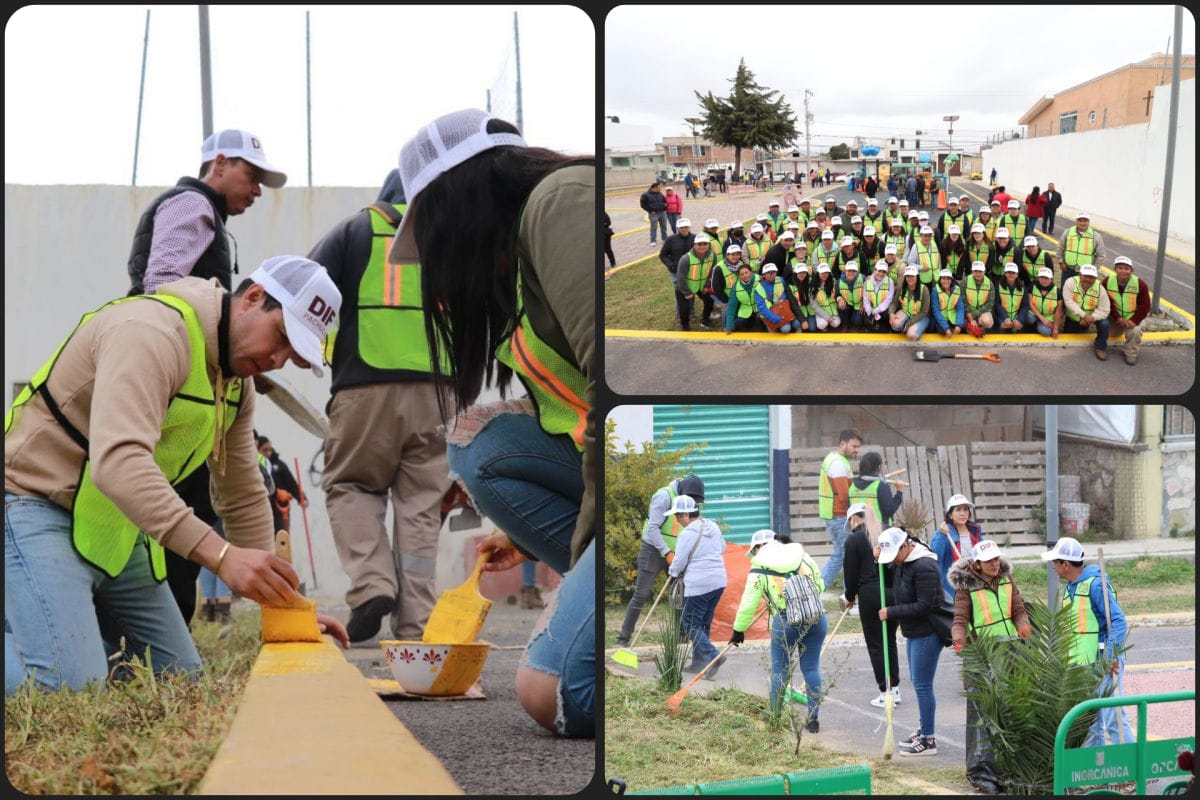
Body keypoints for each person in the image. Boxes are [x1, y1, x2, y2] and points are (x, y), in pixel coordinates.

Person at [5, 257, 351, 697]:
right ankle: (65, 658)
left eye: (292, 356)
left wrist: (281, 604)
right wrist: (223, 556)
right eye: (281, 337)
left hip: (111, 525)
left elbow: (242, 490)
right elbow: (120, 462)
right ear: (253, 298)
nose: (276, 360)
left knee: (177, 680)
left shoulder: (234, 383)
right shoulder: (151, 333)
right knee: (69, 686)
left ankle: (64, 645)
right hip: (32, 505)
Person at [389, 109, 594, 737]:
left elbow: (616, 412)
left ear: (460, 206)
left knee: (550, 693)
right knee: (479, 444)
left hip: (629, 480)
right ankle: (600, 594)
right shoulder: (521, 297)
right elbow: (575, 419)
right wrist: (527, 532)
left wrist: (579, 558)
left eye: (435, 245)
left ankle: (599, 590)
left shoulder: (560, 205)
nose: (438, 273)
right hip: (605, 482)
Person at [126, 128, 287, 626]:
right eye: (251, 174)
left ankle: (171, 627)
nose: (257, 190)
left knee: (190, 498)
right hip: (170, 378)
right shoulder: (190, 205)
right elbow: (163, 286)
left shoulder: (208, 216)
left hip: (183, 377)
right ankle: (166, 628)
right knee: (182, 500)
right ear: (219, 163)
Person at [305, 169, 454, 644]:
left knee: (351, 485)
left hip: (363, 386)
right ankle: (416, 628)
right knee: (421, 508)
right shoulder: (449, 240)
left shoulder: (356, 230)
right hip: (437, 393)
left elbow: (303, 288)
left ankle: (372, 585)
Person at [949, 540, 1032, 795]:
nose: (994, 564)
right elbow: (960, 620)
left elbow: (1018, 610)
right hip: (983, 654)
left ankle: (1007, 768)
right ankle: (981, 771)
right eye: (989, 561)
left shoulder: (1007, 580)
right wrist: (960, 643)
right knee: (983, 714)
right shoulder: (966, 589)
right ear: (977, 564)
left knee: (1009, 710)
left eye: (996, 560)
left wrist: (1024, 628)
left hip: (1011, 653)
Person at [729, 529, 827, 729]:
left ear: (759, 548)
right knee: (811, 668)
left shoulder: (759, 569)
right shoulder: (801, 556)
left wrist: (739, 630)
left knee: (780, 671)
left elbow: (748, 604)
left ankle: (774, 718)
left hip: (786, 623)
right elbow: (820, 586)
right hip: (816, 617)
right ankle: (813, 718)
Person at [1041, 537, 1133, 747]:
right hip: (1082, 663)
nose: (1053, 567)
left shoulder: (1096, 585)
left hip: (1105, 661)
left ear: (1065, 564)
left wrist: (1110, 658)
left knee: (1113, 718)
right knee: (1090, 721)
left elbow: (1118, 621)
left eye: (1055, 562)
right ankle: (1097, 771)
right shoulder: (1068, 589)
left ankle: (1130, 771)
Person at [877, 527, 945, 757]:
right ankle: (924, 730)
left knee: (922, 685)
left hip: (927, 632)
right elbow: (893, 580)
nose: (893, 560)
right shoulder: (903, 562)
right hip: (914, 631)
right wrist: (880, 559)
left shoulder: (924, 566)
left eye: (895, 554)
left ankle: (928, 739)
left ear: (906, 546)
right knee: (919, 683)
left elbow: (925, 605)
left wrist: (891, 612)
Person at [615, 475, 705, 645]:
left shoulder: (689, 501)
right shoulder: (664, 497)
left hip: (677, 552)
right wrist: (666, 552)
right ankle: (623, 638)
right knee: (641, 593)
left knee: (680, 593)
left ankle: (682, 637)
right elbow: (652, 529)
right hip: (653, 550)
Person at [841, 503, 901, 707]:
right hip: (892, 592)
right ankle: (895, 688)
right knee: (889, 640)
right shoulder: (888, 534)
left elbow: (850, 573)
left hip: (870, 594)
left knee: (876, 644)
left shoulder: (854, 539)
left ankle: (886, 692)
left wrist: (849, 597)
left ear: (853, 519)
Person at [665, 495, 727, 677]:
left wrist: (673, 573)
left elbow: (679, 560)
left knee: (690, 624)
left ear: (685, 514)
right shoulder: (713, 526)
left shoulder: (687, 534)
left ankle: (714, 656)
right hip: (719, 581)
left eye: (677, 516)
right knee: (703, 624)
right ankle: (699, 663)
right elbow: (722, 548)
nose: (676, 520)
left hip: (698, 584)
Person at [818, 429, 861, 591]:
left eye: (858, 447)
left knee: (839, 556)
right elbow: (844, 496)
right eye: (854, 446)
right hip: (840, 516)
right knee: (847, 558)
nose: (856, 450)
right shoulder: (838, 464)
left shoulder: (834, 459)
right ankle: (848, 598)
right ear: (843, 443)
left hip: (834, 515)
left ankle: (816, 593)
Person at [931, 493, 984, 601]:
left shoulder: (975, 531)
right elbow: (935, 556)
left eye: (965, 509)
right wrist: (941, 535)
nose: (963, 513)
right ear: (950, 514)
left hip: (975, 580)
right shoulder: (944, 532)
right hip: (953, 586)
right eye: (958, 510)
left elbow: (983, 555)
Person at [1105, 255, 1151, 365]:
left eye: (1127, 268)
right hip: (1116, 318)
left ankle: (1130, 353)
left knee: (1135, 331)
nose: (1123, 271)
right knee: (1113, 333)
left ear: (1131, 271)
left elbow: (1145, 306)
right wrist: (1117, 317)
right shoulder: (1107, 281)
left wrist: (1134, 320)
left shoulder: (1140, 284)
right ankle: (1120, 331)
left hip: (1133, 317)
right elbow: (1106, 303)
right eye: (1120, 268)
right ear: (1114, 269)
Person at [1062, 264, 1112, 361]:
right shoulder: (1070, 282)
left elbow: (1105, 309)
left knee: (1105, 323)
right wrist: (1083, 315)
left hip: (1092, 318)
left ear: (1096, 278)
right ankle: (1082, 327)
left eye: (1091, 277)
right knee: (1070, 335)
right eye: (1085, 276)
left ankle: (1101, 347)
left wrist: (1091, 318)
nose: (1088, 280)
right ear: (1080, 275)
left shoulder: (1100, 288)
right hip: (1074, 317)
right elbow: (1068, 302)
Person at [675, 233, 718, 330]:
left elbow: (712, 272)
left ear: (708, 245)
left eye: (705, 244)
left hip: (701, 286)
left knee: (709, 300)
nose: (702, 246)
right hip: (684, 287)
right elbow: (680, 277)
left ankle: (705, 320)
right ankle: (685, 326)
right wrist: (687, 292)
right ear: (694, 245)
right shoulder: (686, 258)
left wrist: (707, 286)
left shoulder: (712, 256)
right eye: (699, 244)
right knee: (684, 309)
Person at [1059, 211, 1106, 285]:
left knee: (1082, 293)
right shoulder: (1067, 232)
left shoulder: (1096, 236)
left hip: (1086, 273)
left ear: (1089, 222)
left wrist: (1094, 269)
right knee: (1065, 290)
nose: (1082, 223)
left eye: (1085, 221)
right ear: (1076, 221)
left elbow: (1101, 255)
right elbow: (1060, 248)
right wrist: (1061, 262)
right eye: (1080, 220)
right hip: (1068, 269)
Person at [753, 263, 801, 334]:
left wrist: (782, 298)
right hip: (770, 314)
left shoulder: (781, 280)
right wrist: (775, 318)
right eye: (769, 273)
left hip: (783, 309)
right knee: (785, 329)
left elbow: (787, 292)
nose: (772, 274)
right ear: (764, 274)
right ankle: (774, 328)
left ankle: (794, 328)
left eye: (774, 272)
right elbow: (762, 309)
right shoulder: (758, 289)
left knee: (795, 324)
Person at [889, 265, 932, 341]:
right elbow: (894, 303)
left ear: (917, 277)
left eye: (912, 276)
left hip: (921, 316)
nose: (910, 278)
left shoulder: (924, 289)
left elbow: (924, 312)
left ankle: (914, 328)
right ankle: (906, 328)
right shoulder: (902, 288)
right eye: (907, 276)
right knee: (895, 324)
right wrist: (891, 313)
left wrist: (909, 323)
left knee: (911, 336)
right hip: (906, 312)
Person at [1025, 266, 1065, 338]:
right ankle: (1033, 326)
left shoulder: (1057, 291)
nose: (1044, 280)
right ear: (1038, 277)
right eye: (1041, 277)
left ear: (1051, 279)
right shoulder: (1032, 286)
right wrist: (1042, 319)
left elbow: (1058, 311)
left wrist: (1055, 328)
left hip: (1048, 317)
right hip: (1034, 314)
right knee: (1028, 317)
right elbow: (1030, 304)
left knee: (1046, 332)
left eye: (1046, 278)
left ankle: (1037, 326)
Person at [725, 263, 764, 334]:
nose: (745, 275)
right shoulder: (736, 287)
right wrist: (729, 326)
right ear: (739, 276)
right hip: (745, 310)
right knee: (739, 322)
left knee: (762, 320)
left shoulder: (760, 279)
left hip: (759, 308)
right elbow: (732, 306)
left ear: (751, 272)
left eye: (746, 272)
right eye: (742, 274)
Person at [962, 261, 996, 338]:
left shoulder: (989, 283)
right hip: (968, 311)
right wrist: (969, 315)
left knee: (987, 321)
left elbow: (990, 303)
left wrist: (975, 314)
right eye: (975, 271)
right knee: (971, 331)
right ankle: (974, 326)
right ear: (972, 271)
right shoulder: (965, 281)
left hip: (982, 310)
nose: (978, 273)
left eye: (980, 271)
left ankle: (980, 327)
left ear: (984, 271)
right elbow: (963, 299)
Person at [660, 217, 696, 285]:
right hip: (676, 270)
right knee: (679, 289)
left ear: (689, 227)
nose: (684, 229)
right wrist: (671, 265)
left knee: (691, 288)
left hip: (692, 269)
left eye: (686, 227)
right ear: (678, 228)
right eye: (681, 227)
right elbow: (663, 255)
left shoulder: (695, 238)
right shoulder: (671, 239)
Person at [994, 263, 1029, 333]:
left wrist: (1019, 319)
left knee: (1014, 330)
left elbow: (1025, 306)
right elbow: (997, 304)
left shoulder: (1022, 288)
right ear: (1005, 273)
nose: (1011, 275)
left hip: (1016, 315)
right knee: (1002, 329)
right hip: (1002, 315)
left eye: (1013, 273)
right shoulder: (998, 286)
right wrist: (1005, 317)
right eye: (1008, 272)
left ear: (1017, 274)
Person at [862, 260, 895, 332]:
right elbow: (865, 298)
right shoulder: (867, 281)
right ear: (874, 270)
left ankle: (883, 325)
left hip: (883, 309)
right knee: (865, 320)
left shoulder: (890, 282)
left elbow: (888, 300)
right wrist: (869, 311)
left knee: (886, 316)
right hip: (871, 308)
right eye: (879, 271)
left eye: (884, 272)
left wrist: (876, 310)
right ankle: (873, 325)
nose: (881, 273)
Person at [931, 269, 965, 338]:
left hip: (953, 317)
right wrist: (946, 328)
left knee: (963, 324)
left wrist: (958, 325)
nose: (946, 281)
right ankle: (949, 329)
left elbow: (960, 308)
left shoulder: (957, 289)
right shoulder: (935, 290)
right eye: (943, 278)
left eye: (948, 279)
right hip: (942, 318)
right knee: (943, 331)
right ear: (940, 280)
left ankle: (955, 329)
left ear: (951, 280)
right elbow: (936, 311)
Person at [810, 262, 842, 332]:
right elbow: (814, 305)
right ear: (818, 273)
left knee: (836, 323)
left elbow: (838, 294)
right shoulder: (813, 286)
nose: (824, 275)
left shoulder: (833, 281)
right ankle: (825, 324)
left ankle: (829, 323)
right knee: (821, 325)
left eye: (826, 272)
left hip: (833, 312)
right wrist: (827, 317)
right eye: (822, 273)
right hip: (821, 312)